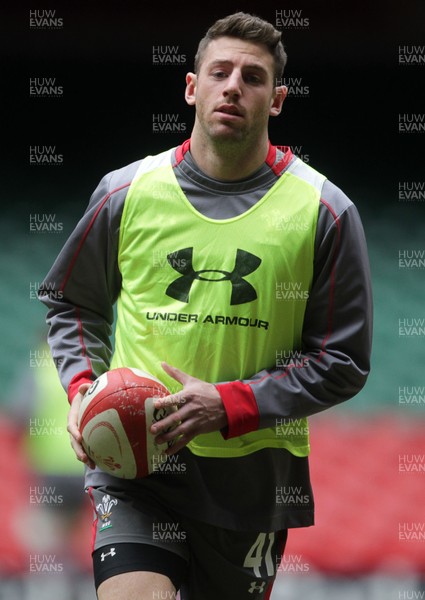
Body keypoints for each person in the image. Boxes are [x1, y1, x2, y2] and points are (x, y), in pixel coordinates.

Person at [39, 11, 373, 600]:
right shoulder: (126, 192)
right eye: (219, 72)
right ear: (192, 87)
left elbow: (342, 361)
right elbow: (69, 303)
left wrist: (228, 404)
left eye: (253, 77)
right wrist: (82, 388)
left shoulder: (325, 211)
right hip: (136, 467)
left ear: (276, 100)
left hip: (251, 485)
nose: (233, 86)